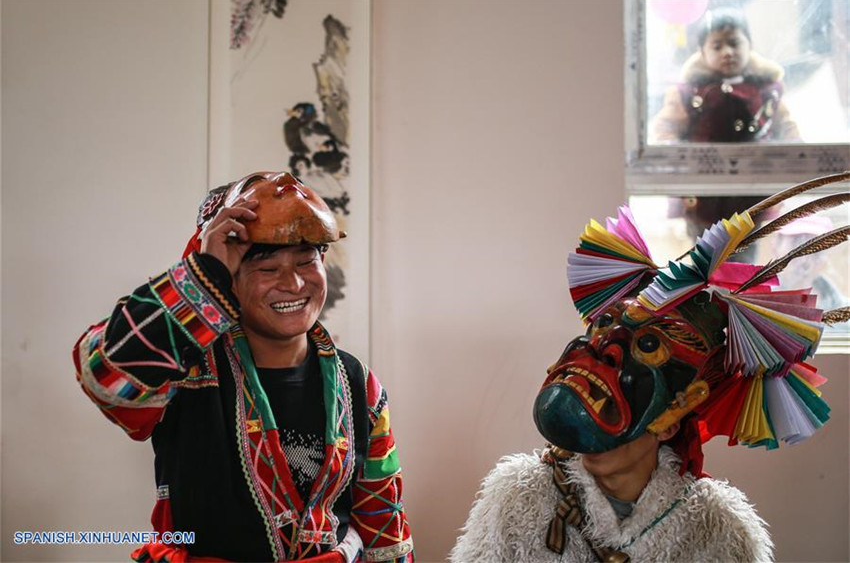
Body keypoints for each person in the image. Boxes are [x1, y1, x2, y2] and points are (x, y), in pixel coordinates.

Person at [451, 183, 844, 561]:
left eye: (649, 346)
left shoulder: (720, 532)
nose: (603, 346)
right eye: (603, 325)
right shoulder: (516, 502)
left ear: (679, 409)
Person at [73, 171, 414, 562]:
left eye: (306, 261)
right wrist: (205, 271)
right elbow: (104, 375)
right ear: (228, 279)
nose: (294, 284)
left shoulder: (358, 383)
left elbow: (384, 524)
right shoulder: (188, 369)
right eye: (267, 269)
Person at [649, 7, 800, 143]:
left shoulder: (767, 89)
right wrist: (675, 153)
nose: (727, 52)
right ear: (702, 53)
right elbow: (666, 128)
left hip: (757, 162)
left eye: (734, 43)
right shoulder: (688, 93)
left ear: (750, 46)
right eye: (717, 47)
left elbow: (786, 127)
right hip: (704, 163)